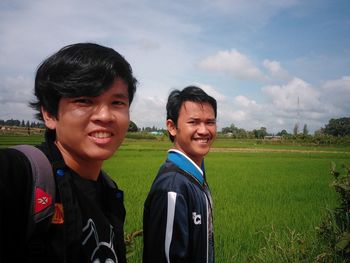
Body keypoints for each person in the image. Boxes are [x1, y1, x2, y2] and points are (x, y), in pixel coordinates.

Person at [0, 43, 137, 263]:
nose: (105, 115)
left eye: (117, 102)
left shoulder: (109, 192)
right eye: (84, 100)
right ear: (49, 114)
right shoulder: (21, 175)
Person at [143, 86, 217, 262]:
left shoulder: (193, 179)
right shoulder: (173, 187)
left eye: (210, 122)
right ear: (172, 127)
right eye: (193, 122)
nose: (204, 130)